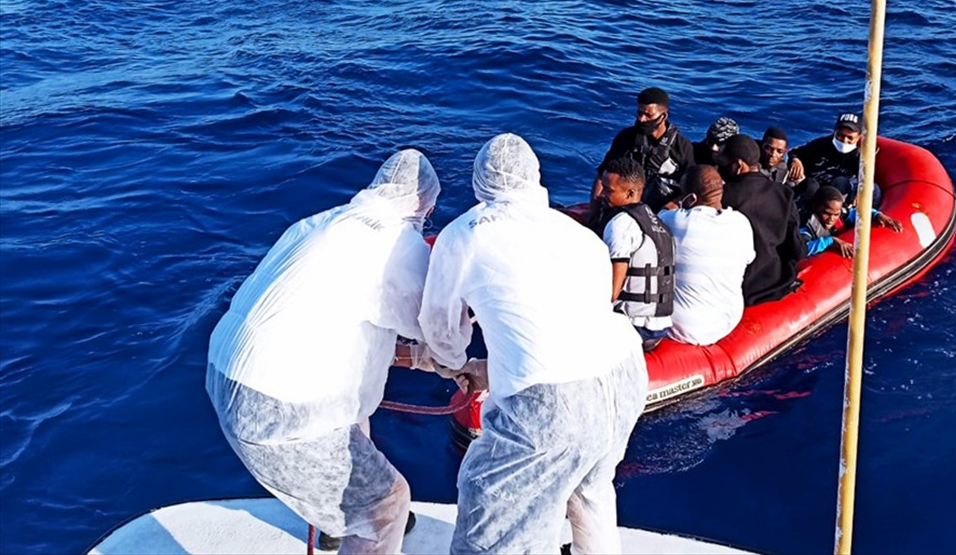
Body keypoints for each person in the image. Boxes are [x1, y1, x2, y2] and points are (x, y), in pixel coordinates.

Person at [418, 134, 647, 555]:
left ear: (479, 181)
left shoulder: (463, 235)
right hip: (625, 374)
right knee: (591, 487)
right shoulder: (577, 233)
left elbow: (440, 328)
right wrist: (494, 366)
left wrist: (456, 365)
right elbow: (571, 321)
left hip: (552, 403)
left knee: (492, 504)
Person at [206, 150, 444, 555]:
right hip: (276, 406)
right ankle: (363, 522)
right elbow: (433, 331)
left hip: (221, 373)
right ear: (426, 204)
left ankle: (338, 521)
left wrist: (424, 358)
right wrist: (462, 362)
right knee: (387, 504)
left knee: (354, 429)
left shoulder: (317, 223)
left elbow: (334, 318)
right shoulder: (398, 245)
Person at [660, 165, 756, 346]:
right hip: (729, 320)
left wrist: (674, 203)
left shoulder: (674, 220)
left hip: (684, 327)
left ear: (692, 198)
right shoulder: (741, 223)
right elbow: (748, 258)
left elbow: (660, 216)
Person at [591, 156, 675, 348]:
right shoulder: (655, 221)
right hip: (657, 325)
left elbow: (612, 291)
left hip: (634, 328)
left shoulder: (621, 224)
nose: (601, 194)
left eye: (609, 190)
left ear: (630, 193)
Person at [719, 133, 802, 305]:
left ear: (738, 166)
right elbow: (796, 248)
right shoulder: (784, 194)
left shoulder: (723, 199)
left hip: (740, 289)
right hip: (777, 280)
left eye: (722, 163)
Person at [594, 87, 694, 211]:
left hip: (663, 210)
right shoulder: (625, 138)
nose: (642, 119)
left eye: (648, 115)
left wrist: (672, 206)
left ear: (663, 116)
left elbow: (692, 187)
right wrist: (595, 208)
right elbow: (603, 173)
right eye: (639, 113)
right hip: (626, 205)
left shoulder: (682, 147)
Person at [786, 112, 879, 206]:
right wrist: (795, 160)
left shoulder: (858, 156)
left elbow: (865, 179)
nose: (844, 140)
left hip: (840, 193)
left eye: (850, 138)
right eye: (840, 135)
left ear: (859, 136)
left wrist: (861, 193)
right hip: (816, 190)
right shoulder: (820, 145)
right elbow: (794, 152)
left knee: (873, 189)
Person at [798, 185, 903, 257]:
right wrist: (830, 241)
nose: (831, 219)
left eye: (836, 215)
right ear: (815, 207)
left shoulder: (842, 214)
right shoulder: (806, 227)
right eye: (826, 213)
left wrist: (877, 215)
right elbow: (802, 249)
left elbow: (858, 213)